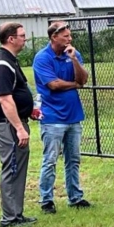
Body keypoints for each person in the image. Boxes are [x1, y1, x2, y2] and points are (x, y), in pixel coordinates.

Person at [33, 21, 91, 214]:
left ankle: (75, 196)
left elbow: (83, 80)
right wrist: (74, 85)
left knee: (73, 159)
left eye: (70, 35)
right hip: (52, 117)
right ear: (54, 37)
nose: (69, 39)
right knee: (50, 159)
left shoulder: (73, 54)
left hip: (73, 115)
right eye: (65, 36)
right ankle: (46, 199)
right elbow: (53, 85)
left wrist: (74, 60)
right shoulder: (42, 58)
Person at [0, 22, 38, 227]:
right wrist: (18, 128)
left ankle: (17, 214)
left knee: (18, 167)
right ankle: (9, 218)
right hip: (8, 126)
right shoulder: (1, 64)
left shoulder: (11, 61)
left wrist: (29, 110)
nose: (24, 39)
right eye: (22, 35)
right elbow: (5, 100)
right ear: (11, 39)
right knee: (12, 167)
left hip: (17, 122)